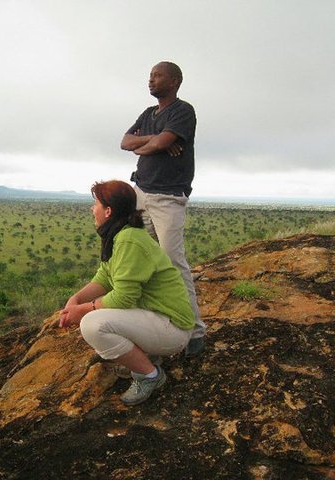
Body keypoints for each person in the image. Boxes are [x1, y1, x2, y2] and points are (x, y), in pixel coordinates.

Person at [59, 180, 195, 406]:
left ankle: (150, 376)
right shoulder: (120, 235)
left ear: (108, 210)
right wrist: (75, 300)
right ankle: (146, 356)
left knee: (92, 325)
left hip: (172, 327)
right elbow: (104, 276)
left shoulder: (129, 240)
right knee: (96, 319)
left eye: (96, 204)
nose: (93, 209)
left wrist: (82, 311)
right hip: (157, 317)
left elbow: (124, 297)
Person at [120, 61, 206, 357]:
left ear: (175, 81)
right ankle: (153, 325)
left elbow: (160, 142)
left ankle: (195, 330)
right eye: (150, 76)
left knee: (172, 261)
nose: (151, 80)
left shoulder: (183, 111)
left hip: (169, 197)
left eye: (157, 76)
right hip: (141, 193)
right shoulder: (148, 114)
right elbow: (125, 142)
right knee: (141, 260)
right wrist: (152, 141)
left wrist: (156, 143)